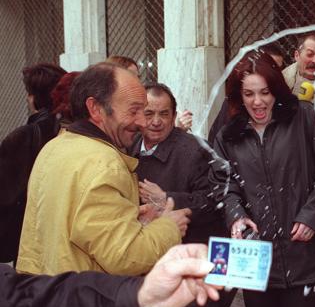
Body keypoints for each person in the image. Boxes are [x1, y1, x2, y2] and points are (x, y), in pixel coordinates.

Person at [17, 62, 191, 275]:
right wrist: (169, 228)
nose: (142, 122)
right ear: (96, 109)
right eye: (134, 110)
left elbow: (74, 224)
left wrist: (129, 217)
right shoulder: (104, 164)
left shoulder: (54, 147)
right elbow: (126, 257)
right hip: (83, 301)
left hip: (46, 295)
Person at [211, 50, 315, 307]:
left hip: (304, 255)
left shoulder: (305, 117)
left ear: (276, 89)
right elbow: (223, 185)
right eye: (249, 94)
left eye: (265, 92)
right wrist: (235, 216)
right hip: (255, 259)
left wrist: (312, 216)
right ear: (238, 96)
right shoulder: (228, 135)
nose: (258, 102)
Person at [131, 82, 235, 307]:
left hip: (197, 266)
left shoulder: (196, 150)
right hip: (151, 262)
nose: (156, 121)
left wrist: (168, 199)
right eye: (149, 113)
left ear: (174, 116)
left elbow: (216, 201)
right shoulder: (128, 149)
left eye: (164, 114)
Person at [1, 243, 221, 307]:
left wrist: (140, 298)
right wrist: (168, 226)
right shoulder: (107, 162)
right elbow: (122, 255)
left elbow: (27, 301)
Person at [0, 63, 66, 263]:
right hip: (57, 232)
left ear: (33, 97)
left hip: (24, 238)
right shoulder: (69, 130)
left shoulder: (23, 136)